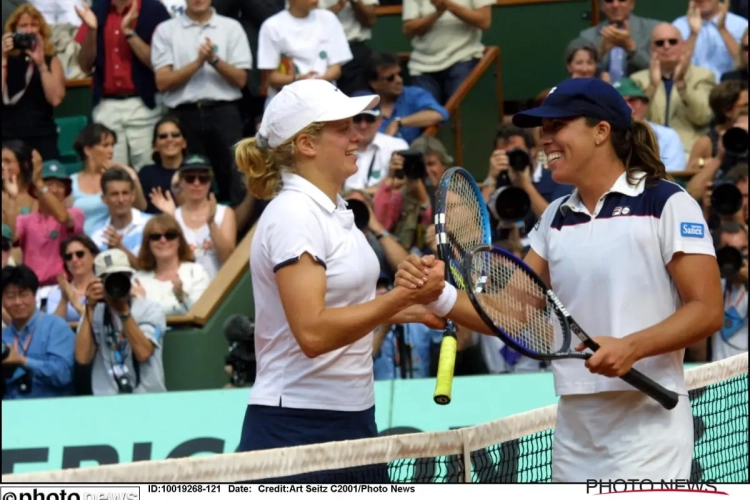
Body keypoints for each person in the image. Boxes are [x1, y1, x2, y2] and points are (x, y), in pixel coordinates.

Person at [395, 78, 724, 481]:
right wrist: (440, 295)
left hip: (648, 429)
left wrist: (632, 347)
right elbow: (512, 317)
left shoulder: (667, 202)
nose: (544, 139)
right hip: (574, 430)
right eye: (542, 129)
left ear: (601, 131)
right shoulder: (554, 217)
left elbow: (707, 311)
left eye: (557, 126)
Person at [232, 79, 446, 464]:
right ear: (306, 144)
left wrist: (412, 311)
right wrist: (402, 296)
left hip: (351, 418)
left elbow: (347, 307)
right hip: (295, 428)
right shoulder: (295, 214)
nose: (358, 136)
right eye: (343, 128)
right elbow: (313, 332)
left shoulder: (335, 210)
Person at [2, 264, 75, 399]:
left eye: (23, 294)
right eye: (10, 296)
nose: (18, 302)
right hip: (11, 412)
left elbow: (63, 375)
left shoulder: (56, 327)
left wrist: (22, 361)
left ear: (35, 296)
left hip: (52, 410)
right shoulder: (4, 337)